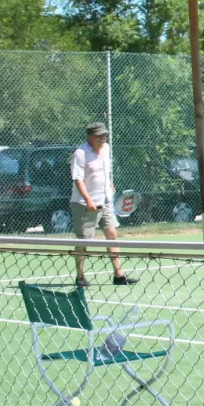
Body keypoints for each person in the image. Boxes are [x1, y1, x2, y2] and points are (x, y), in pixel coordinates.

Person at [70, 121, 135, 288]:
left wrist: (109, 183)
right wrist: (89, 200)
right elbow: (78, 179)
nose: (103, 138)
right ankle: (80, 276)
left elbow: (105, 170)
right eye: (99, 136)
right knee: (84, 241)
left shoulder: (106, 149)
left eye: (105, 135)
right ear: (90, 137)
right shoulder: (80, 153)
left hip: (106, 200)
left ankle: (119, 275)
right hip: (84, 204)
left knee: (112, 234)